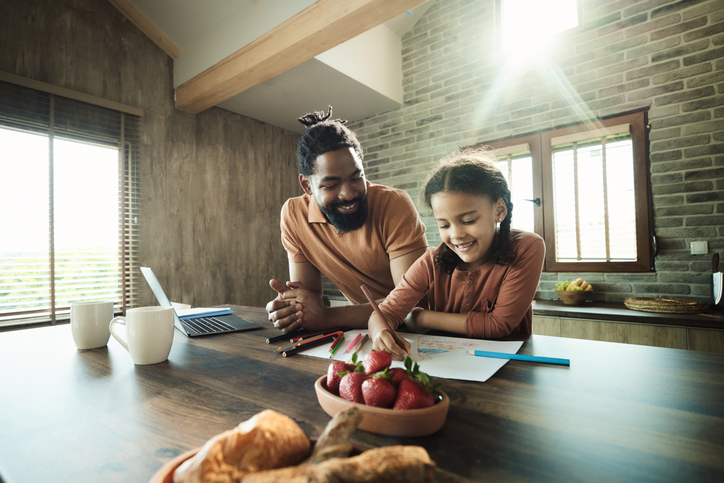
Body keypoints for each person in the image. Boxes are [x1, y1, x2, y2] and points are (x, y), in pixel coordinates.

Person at [369, 148, 545, 359]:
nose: (456, 234)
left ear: (499, 210)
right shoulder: (431, 262)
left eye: (469, 221)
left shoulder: (526, 247)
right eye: (444, 225)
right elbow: (385, 313)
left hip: (509, 371)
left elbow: (498, 325)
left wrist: (421, 317)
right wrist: (380, 331)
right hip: (446, 366)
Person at [266, 106, 428, 333]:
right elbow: (309, 298)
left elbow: (412, 301)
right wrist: (294, 310)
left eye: (356, 177)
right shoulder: (294, 215)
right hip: (370, 329)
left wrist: (327, 317)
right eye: (331, 185)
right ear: (306, 185)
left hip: (425, 329)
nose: (349, 194)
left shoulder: (394, 204)